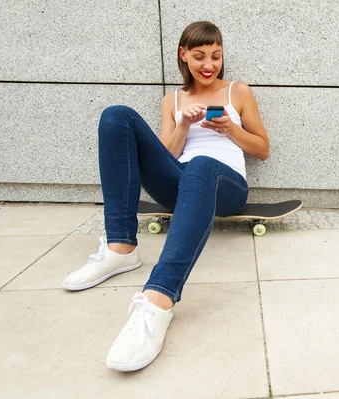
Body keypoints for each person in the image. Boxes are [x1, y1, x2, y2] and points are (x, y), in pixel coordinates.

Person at [61, 21, 269, 372]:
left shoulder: (238, 92)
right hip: (182, 184)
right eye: (200, 56)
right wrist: (184, 125)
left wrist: (230, 129)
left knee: (202, 164)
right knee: (116, 117)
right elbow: (167, 157)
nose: (209, 65)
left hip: (225, 186)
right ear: (183, 55)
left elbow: (263, 149)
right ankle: (120, 248)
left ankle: (158, 300)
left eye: (216, 57)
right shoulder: (173, 99)